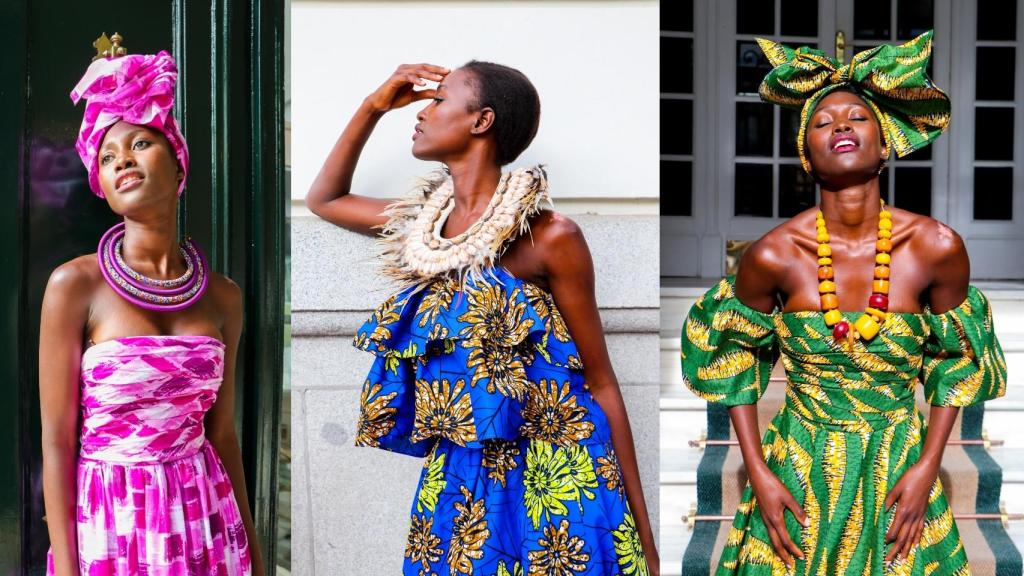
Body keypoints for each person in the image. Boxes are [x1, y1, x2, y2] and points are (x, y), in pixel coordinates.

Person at [306, 61, 659, 575]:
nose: (422, 113)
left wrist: (643, 536)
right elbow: (325, 199)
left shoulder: (551, 236)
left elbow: (600, 381)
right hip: (460, 477)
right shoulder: (423, 227)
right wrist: (372, 106)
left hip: (560, 476)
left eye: (438, 101)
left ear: (481, 120)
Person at [680, 31, 1006, 575]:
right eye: (823, 122)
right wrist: (758, 472)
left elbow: (955, 365)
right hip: (799, 470)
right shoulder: (773, 254)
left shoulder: (936, 247)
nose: (841, 126)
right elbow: (733, 362)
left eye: (857, 117)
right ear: (806, 154)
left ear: (886, 142)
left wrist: (929, 466)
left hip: (899, 464)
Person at [39, 49, 263, 576]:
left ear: (178, 161)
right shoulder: (74, 285)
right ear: (100, 183)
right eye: (107, 156)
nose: (122, 160)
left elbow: (222, 433)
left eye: (140, 143)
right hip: (113, 522)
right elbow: (56, 441)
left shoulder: (224, 296)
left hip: (206, 518)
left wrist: (253, 552)